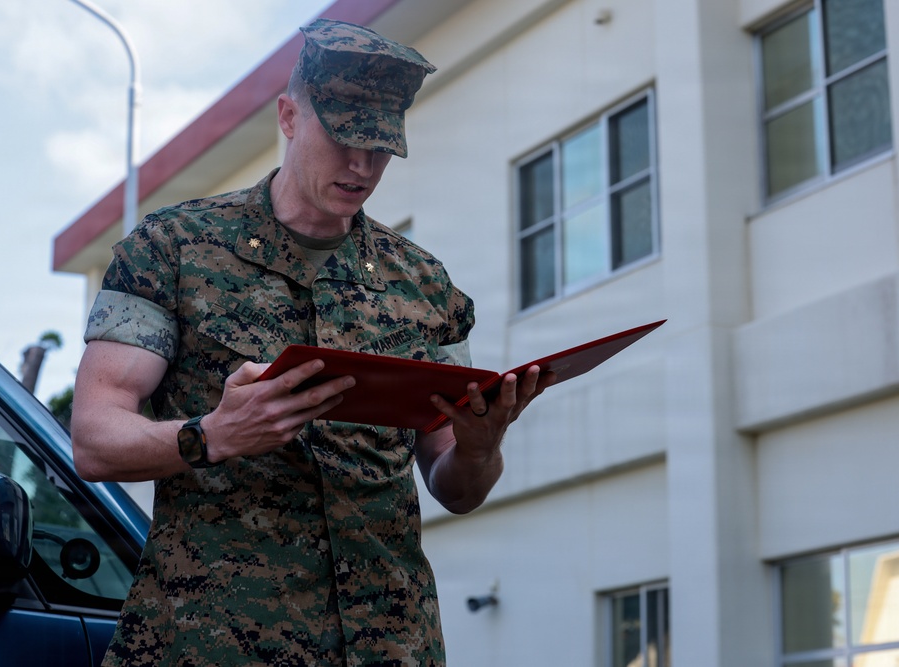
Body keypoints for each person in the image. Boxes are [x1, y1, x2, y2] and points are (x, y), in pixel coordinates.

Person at [71, 18, 551, 667]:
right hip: (213, 645)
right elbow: (95, 438)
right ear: (290, 116)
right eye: (345, 138)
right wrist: (213, 434)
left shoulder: (424, 285)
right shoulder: (172, 251)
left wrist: (480, 444)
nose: (361, 166)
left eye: (380, 148)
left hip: (389, 643)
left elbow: (457, 486)